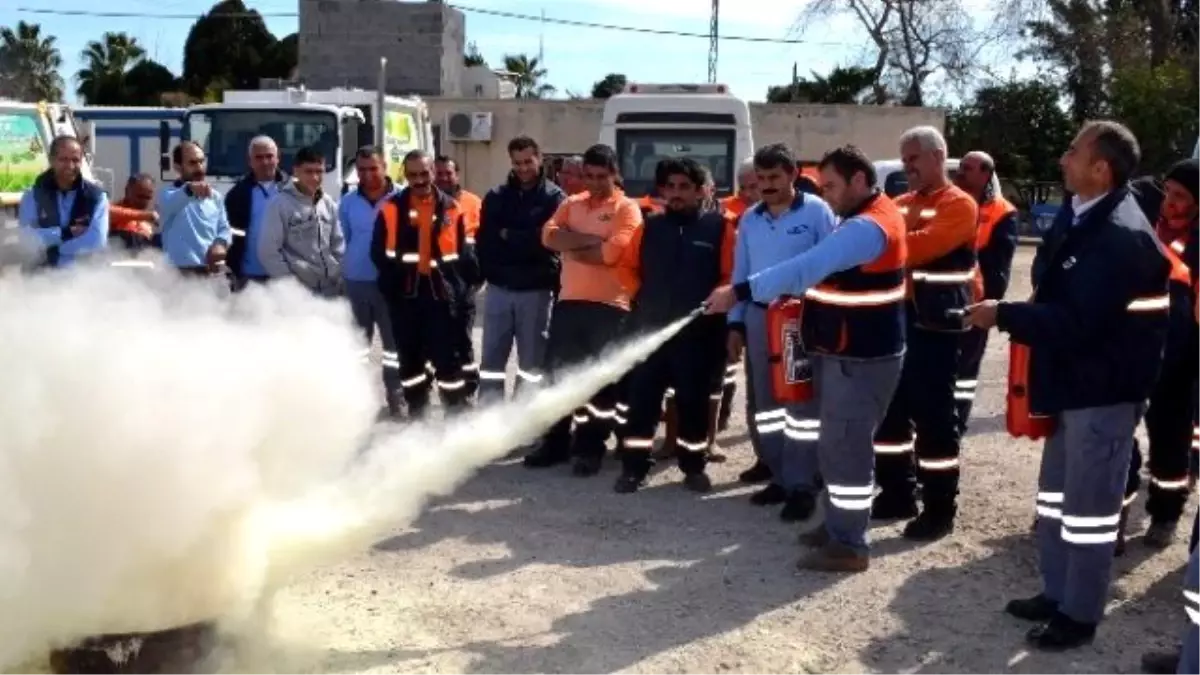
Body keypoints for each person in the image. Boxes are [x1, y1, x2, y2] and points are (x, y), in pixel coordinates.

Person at [966, 120, 1169, 651]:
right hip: (1071, 381)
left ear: (1101, 169)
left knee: (1090, 513)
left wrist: (1002, 314)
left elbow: (1078, 320)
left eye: (1073, 152)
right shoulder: (1086, 215)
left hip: (1102, 390)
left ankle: (1079, 613)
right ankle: (1057, 592)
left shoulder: (1121, 234)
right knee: (1056, 500)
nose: (1062, 159)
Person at [706, 144, 906, 572]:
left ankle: (850, 544)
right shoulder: (860, 216)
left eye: (831, 185)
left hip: (862, 356)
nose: (826, 194)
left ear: (858, 180)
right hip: (845, 349)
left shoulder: (867, 226)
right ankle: (837, 525)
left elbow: (806, 268)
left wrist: (738, 292)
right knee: (834, 444)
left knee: (847, 449)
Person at [871, 126, 978, 541]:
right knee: (890, 412)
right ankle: (896, 492)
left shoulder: (960, 205)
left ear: (937, 156)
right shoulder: (897, 202)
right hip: (898, 320)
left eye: (913, 158)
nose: (906, 167)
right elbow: (887, 240)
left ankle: (939, 508)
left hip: (936, 326)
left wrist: (883, 242)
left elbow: (910, 248)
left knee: (934, 417)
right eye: (903, 159)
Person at [726, 142, 838, 522]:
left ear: (792, 175)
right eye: (762, 178)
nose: (767, 185)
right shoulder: (750, 220)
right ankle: (779, 473)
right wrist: (736, 324)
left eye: (775, 177)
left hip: (800, 318)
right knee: (765, 404)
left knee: (801, 403)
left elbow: (831, 264)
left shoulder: (818, 212)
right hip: (759, 319)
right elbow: (740, 276)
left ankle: (803, 484)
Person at [616, 158, 735, 494]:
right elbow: (626, 269)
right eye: (671, 187)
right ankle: (633, 468)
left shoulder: (719, 227)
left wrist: (718, 299)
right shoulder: (650, 227)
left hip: (698, 335)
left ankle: (693, 467)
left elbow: (729, 275)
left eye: (685, 187)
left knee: (693, 403)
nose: (676, 193)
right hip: (651, 333)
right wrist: (639, 300)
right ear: (663, 190)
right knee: (641, 402)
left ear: (700, 191)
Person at [522, 143, 641, 476]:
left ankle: (589, 449)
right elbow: (547, 237)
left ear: (615, 174)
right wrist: (591, 241)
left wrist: (572, 244)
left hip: (610, 308)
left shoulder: (626, 209)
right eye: (589, 175)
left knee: (598, 383)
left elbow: (613, 254)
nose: (595, 182)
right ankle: (555, 443)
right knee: (556, 377)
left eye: (602, 176)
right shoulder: (571, 203)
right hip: (569, 304)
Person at [371, 150, 478, 416]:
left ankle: (455, 412)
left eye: (424, 173)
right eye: (413, 175)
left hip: (442, 298)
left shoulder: (453, 209)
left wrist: (463, 290)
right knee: (410, 361)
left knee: (448, 359)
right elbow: (378, 255)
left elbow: (464, 256)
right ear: (405, 175)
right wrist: (393, 286)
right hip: (405, 298)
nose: (419, 180)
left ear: (433, 172)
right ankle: (418, 413)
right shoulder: (390, 209)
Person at [476, 135, 564, 403]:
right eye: (518, 163)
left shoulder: (555, 198)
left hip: (536, 292)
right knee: (491, 360)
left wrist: (511, 235)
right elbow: (486, 240)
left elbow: (547, 242)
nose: (523, 168)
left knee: (531, 364)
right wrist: (524, 238)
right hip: (500, 288)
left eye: (528, 161)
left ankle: (522, 423)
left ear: (540, 158)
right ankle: (489, 419)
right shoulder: (496, 197)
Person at [952, 151, 1018, 430]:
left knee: (965, 372)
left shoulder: (1002, 213)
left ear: (985, 174)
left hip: (975, 304)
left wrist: (987, 307)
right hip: (944, 300)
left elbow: (998, 269)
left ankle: (958, 419)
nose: (961, 172)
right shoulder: (949, 203)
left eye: (968, 168)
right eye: (961, 167)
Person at [342, 146, 403, 418]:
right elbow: (340, 240)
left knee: (394, 348)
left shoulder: (402, 198)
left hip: (392, 285)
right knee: (357, 347)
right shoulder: (347, 201)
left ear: (385, 166)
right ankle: (358, 402)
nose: (367, 175)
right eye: (361, 169)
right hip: (356, 283)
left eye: (372, 168)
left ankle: (396, 398)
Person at [257, 146, 344, 297]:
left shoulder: (328, 203)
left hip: (330, 290)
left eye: (319, 171)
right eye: (309, 172)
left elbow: (338, 245)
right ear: (296, 171)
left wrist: (339, 275)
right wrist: (290, 286)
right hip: (297, 295)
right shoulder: (280, 204)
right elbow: (268, 252)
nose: (315, 177)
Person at [17, 135, 109, 268]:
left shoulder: (96, 197)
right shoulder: (32, 195)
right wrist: (66, 233)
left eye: (75, 160)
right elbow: (26, 240)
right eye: (63, 159)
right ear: (51, 160)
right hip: (39, 279)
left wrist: (58, 249)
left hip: (84, 278)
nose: (70, 165)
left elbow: (96, 241)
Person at [435, 155, 484, 400]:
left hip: (464, 284)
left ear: (458, 174)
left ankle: (468, 387)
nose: (443, 177)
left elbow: (485, 243)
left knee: (463, 340)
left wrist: (478, 279)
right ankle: (448, 394)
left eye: (448, 173)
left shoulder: (474, 203)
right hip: (434, 285)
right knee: (439, 340)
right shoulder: (425, 203)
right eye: (439, 173)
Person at [157, 141, 232, 277]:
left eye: (201, 161)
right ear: (178, 167)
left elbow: (224, 229)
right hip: (178, 275)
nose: (199, 167)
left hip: (210, 274)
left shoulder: (215, 197)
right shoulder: (167, 195)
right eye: (192, 163)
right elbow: (173, 202)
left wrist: (220, 244)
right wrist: (190, 189)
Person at [225, 136, 287, 287]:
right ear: (250, 161)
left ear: (278, 158)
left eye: (269, 156)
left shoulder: (293, 190)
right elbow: (229, 234)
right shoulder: (237, 194)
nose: (265, 162)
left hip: (285, 276)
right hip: (248, 276)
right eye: (259, 157)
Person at [108, 173, 158, 253]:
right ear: (127, 191)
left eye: (148, 198)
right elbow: (109, 212)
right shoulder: (115, 211)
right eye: (140, 196)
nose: (143, 201)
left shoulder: (147, 221)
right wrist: (143, 216)